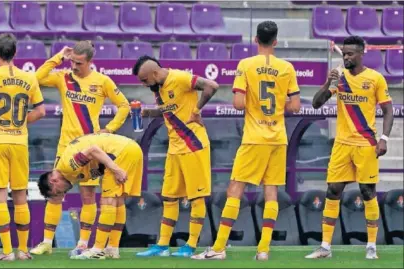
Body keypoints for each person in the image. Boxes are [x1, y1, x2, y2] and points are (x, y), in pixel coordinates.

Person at [192, 21, 301, 261]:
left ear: (255, 40)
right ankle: (263, 249)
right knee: (271, 191)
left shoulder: (246, 65)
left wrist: (256, 102)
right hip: (278, 138)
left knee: (235, 189)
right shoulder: (287, 68)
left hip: (254, 137)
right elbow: (294, 106)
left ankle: (219, 247)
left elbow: (239, 103)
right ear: (275, 41)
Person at [31, 41, 131, 257]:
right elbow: (36, 78)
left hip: (91, 148)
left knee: (88, 196)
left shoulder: (102, 81)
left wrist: (110, 129)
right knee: (55, 195)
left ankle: (83, 243)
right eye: (72, 61)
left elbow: (124, 106)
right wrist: (58, 56)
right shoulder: (63, 76)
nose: (74, 66)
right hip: (65, 147)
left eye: (79, 62)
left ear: (89, 61)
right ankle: (47, 242)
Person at [306, 36, 393, 260]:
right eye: (344, 53)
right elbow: (316, 103)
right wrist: (328, 83)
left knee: (367, 192)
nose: (346, 56)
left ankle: (371, 245)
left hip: (366, 144)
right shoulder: (339, 78)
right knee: (333, 190)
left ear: (361, 54)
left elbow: (388, 110)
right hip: (342, 144)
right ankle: (325, 247)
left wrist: (384, 138)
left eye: (350, 53)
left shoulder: (375, 79)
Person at [132, 56, 219, 258]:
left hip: (193, 145)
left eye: (145, 80)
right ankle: (162, 246)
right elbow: (171, 109)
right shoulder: (159, 89)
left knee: (196, 198)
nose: (145, 85)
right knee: (169, 198)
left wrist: (197, 110)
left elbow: (212, 86)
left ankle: (190, 246)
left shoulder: (179, 78)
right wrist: (149, 113)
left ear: (154, 73)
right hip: (175, 149)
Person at [0, 33, 46, 261]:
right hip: (19, 142)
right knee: (21, 196)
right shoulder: (29, 77)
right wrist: (22, 119)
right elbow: (41, 111)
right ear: (15, 53)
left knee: (0, 197)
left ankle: (6, 251)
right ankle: (23, 250)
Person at [37, 133, 144, 260]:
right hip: (132, 149)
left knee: (108, 201)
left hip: (120, 152)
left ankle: (98, 250)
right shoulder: (70, 172)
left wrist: (115, 169)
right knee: (118, 200)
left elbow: (93, 150)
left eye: (58, 192)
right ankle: (112, 248)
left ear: (53, 181)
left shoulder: (68, 167)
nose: (63, 193)